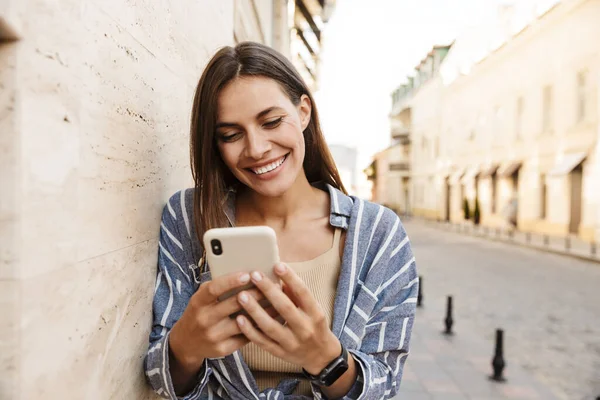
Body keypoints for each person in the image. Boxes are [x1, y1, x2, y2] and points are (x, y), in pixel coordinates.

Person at [144, 42, 418, 400]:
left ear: (303, 111)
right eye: (230, 134)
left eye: (271, 121)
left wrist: (327, 359)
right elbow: (161, 379)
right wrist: (185, 346)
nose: (256, 148)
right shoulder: (188, 216)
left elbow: (384, 384)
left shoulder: (379, 234)